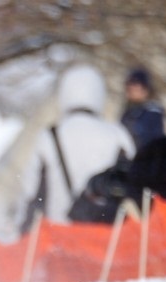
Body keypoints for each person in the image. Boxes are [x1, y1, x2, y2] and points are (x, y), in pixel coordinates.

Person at [18, 63, 134, 226]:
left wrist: (25, 230)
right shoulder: (117, 134)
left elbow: (32, 192)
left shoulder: (50, 136)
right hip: (107, 239)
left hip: (58, 238)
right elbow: (133, 187)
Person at [120, 68, 166, 153]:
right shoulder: (127, 111)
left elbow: (156, 142)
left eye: (136, 88)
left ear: (145, 90)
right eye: (130, 88)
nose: (132, 91)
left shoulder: (152, 113)